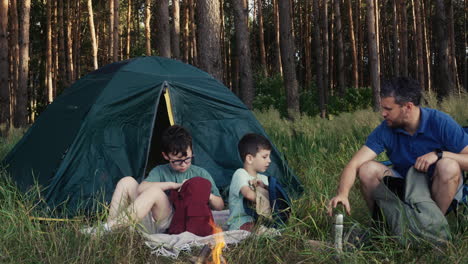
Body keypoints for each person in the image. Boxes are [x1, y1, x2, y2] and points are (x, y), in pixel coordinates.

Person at [327, 77, 468, 217]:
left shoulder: (441, 122)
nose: (383, 113)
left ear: (408, 107)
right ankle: (382, 226)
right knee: (366, 169)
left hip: (439, 185)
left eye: (388, 109)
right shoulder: (386, 129)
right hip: (406, 185)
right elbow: (354, 164)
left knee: (448, 165)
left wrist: (440, 154)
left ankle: (434, 227)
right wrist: (342, 194)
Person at [106, 125, 224, 232]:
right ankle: (109, 228)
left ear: (192, 150)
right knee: (126, 181)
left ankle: (109, 227)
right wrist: (174, 185)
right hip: (150, 219)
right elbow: (141, 188)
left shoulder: (200, 173)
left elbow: (220, 206)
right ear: (165, 156)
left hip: (175, 224)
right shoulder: (160, 171)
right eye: (177, 160)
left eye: (187, 159)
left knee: (155, 192)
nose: (183, 164)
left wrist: (200, 191)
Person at [228, 133, 272, 231]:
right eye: (265, 157)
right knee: (260, 231)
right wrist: (268, 200)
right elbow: (248, 194)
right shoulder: (240, 174)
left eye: (269, 157)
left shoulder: (264, 179)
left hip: (260, 221)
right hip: (240, 222)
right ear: (250, 159)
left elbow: (273, 196)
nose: (269, 160)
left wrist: (265, 187)